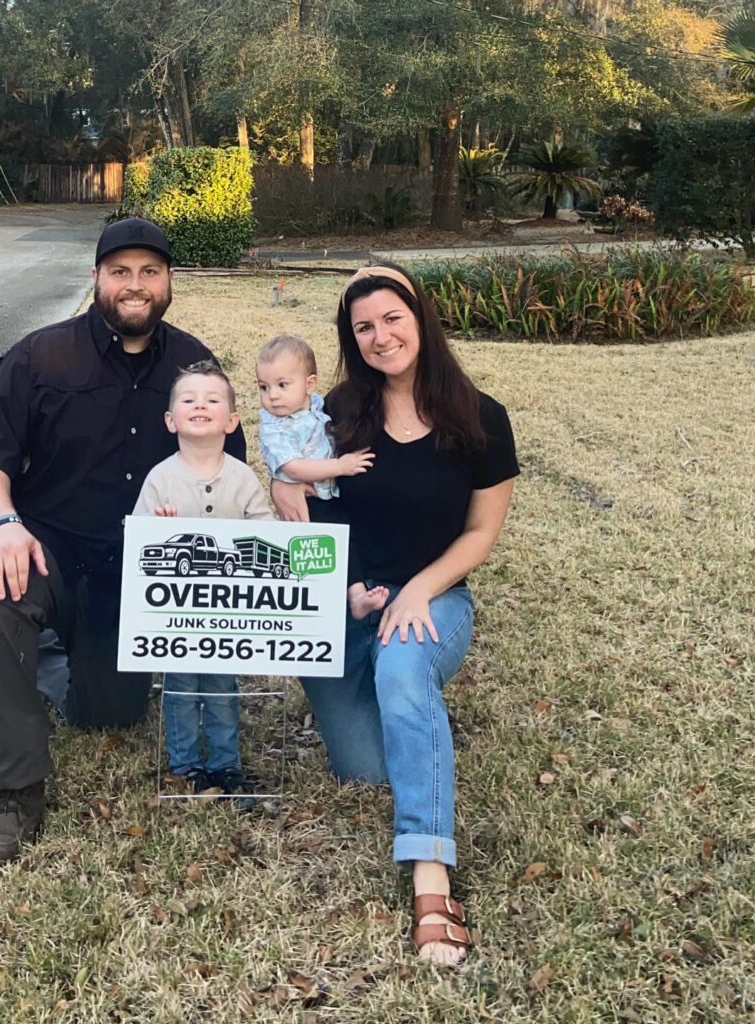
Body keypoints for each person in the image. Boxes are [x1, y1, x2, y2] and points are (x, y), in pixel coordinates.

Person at [0, 217, 245, 863]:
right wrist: (2, 524)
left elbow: (232, 470)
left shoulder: (195, 369)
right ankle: (16, 792)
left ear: (170, 281)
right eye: (120, 272)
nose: (135, 286)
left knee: (109, 714)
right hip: (48, 550)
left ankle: (49, 660)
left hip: (141, 575)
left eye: (150, 272)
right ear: (96, 279)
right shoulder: (39, 356)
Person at [272, 264, 518, 965]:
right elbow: (286, 460)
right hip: (347, 600)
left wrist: (418, 590)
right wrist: (280, 481)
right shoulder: (337, 412)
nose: (381, 337)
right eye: (363, 328)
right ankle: (413, 719)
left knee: (405, 662)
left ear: (421, 317)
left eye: (392, 318)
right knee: (362, 765)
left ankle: (431, 880)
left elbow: (480, 534)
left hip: (433, 594)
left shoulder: (480, 417)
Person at [133, 360, 274, 798]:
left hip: (227, 616)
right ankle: (186, 763)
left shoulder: (244, 478)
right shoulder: (160, 478)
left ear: (231, 421)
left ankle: (226, 763)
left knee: (221, 687)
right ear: (170, 419)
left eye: (213, 400)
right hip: (177, 615)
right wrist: (160, 526)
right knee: (179, 685)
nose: (200, 405)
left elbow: (265, 535)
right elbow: (139, 540)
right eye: (189, 399)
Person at [255, 334, 387, 620]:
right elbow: (294, 468)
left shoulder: (315, 406)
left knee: (344, 543)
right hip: (309, 502)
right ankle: (352, 598)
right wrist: (341, 467)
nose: (272, 395)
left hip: (329, 495)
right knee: (322, 553)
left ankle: (344, 596)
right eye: (263, 387)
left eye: (282, 385)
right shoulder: (274, 428)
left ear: (310, 384)